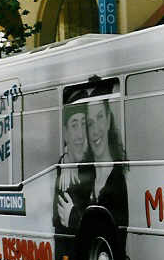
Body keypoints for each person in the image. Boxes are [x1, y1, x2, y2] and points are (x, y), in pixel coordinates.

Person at [86, 94, 128, 228]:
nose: (95, 130)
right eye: (90, 123)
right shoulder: (85, 176)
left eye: (100, 117)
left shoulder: (120, 177)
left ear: (109, 119)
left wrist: (72, 215)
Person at [54, 95, 94, 233]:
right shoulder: (64, 173)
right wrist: (66, 161)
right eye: (74, 125)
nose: (80, 134)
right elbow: (60, 221)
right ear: (65, 133)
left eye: (84, 124)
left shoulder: (95, 165)